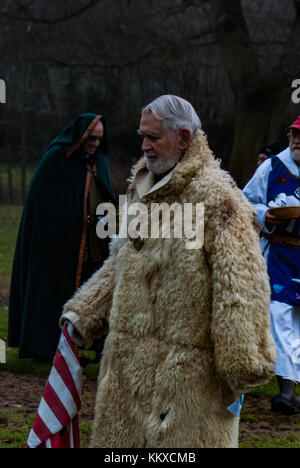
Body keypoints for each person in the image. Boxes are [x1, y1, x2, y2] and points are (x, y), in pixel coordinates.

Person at [60, 95, 276, 448]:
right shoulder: (142, 188)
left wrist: (243, 361)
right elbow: (122, 260)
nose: (143, 146)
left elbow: (241, 287)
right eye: (142, 136)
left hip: (187, 380)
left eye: (153, 137)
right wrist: (82, 313)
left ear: (184, 138)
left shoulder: (220, 200)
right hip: (127, 374)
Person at [8, 113, 115, 360]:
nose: (95, 144)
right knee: (54, 294)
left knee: (94, 297)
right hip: (58, 248)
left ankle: (91, 348)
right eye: (91, 138)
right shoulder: (56, 160)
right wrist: (76, 221)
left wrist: (106, 222)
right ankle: (47, 348)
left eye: (99, 139)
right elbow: (45, 209)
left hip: (94, 246)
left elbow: (105, 199)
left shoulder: (100, 162)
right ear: (80, 135)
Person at [243, 115, 300, 415]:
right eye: (294, 134)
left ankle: (293, 388)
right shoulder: (272, 167)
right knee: (279, 318)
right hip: (279, 254)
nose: (297, 140)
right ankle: (285, 391)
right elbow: (244, 202)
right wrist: (264, 215)